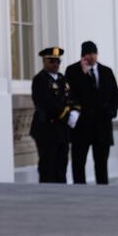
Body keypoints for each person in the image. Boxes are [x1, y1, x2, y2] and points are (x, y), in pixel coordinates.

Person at [64, 41, 118, 184]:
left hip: (102, 125)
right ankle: (79, 192)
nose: (92, 56)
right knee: (79, 163)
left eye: (94, 53)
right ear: (83, 55)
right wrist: (84, 74)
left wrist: (112, 111)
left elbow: (115, 95)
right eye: (88, 53)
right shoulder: (72, 71)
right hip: (81, 126)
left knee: (101, 164)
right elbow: (70, 94)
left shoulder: (106, 72)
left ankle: (102, 192)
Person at [30, 47, 80, 183]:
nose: (56, 64)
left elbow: (73, 97)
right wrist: (66, 115)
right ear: (44, 61)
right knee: (48, 165)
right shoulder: (40, 79)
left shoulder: (63, 79)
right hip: (46, 128)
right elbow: (46, 103)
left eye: (58, 61)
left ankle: (61, 193)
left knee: (62, 163)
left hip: (62, 130)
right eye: (52, 61)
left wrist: (75, 111)